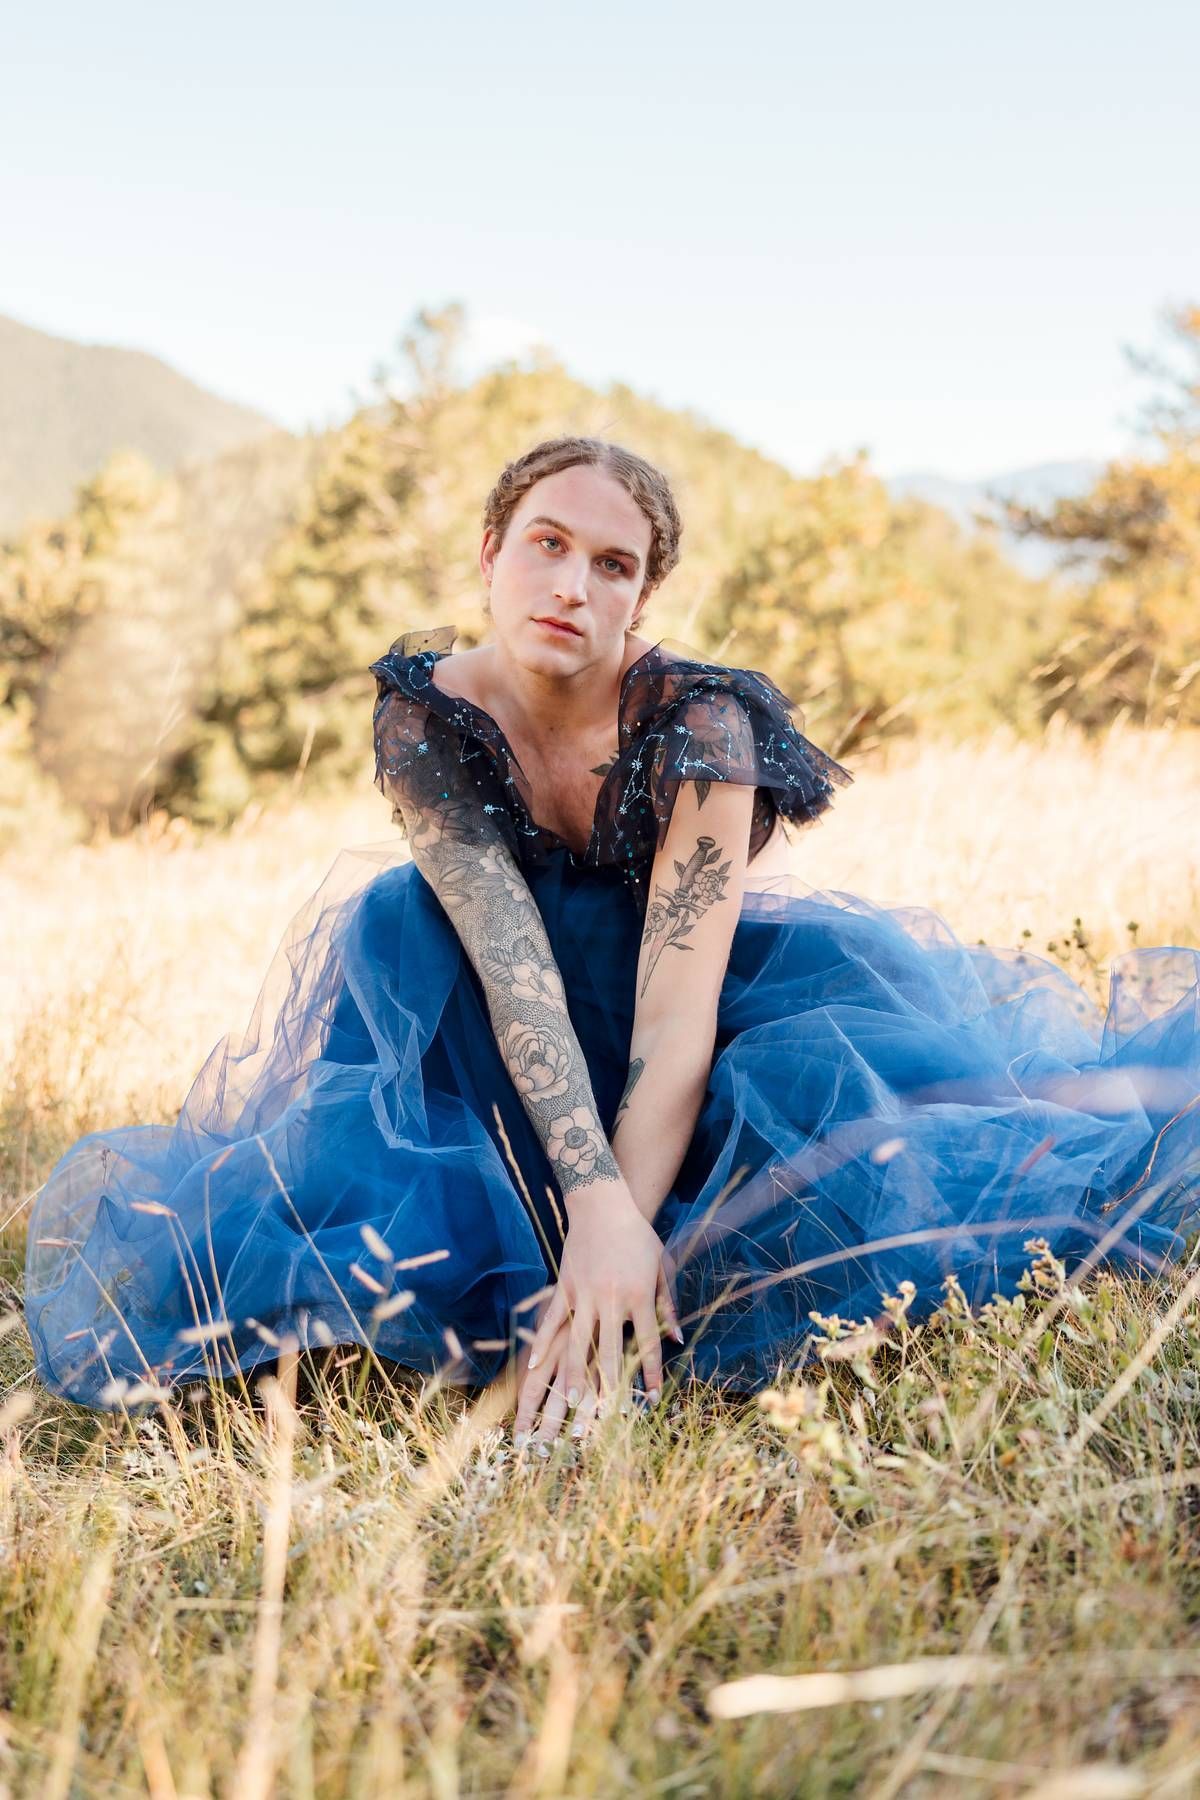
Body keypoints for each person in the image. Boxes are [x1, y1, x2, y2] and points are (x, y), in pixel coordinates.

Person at [23, 437, 1200, 1435]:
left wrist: (621, 1232)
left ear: (643, 596)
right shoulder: (429, 714)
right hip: (504, 1025)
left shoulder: (702, 726)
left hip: (697, 1024)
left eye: (612, 564)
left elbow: (676, 1016)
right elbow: (511, 971)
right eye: (546, 543)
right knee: (395, 918)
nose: (572, 587)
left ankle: (616, 1275)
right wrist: (585, 1209)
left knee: (848, 1195)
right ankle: (528, 1249)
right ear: (490, 553)